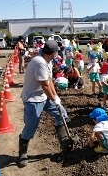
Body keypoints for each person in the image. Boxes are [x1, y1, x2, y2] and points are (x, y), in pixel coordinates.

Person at [18, 40, 72, 168]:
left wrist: (56, 98)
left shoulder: (48, 61)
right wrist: (53, 99)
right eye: (57, 51)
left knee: (61, 113)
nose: (58, 53)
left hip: (44, 96)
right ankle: (22, 152)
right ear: (53, 52)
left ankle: (65, 144)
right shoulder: (39, 62)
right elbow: (44, 84)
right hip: (33, 99)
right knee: (31, 127)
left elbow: (50, 81)